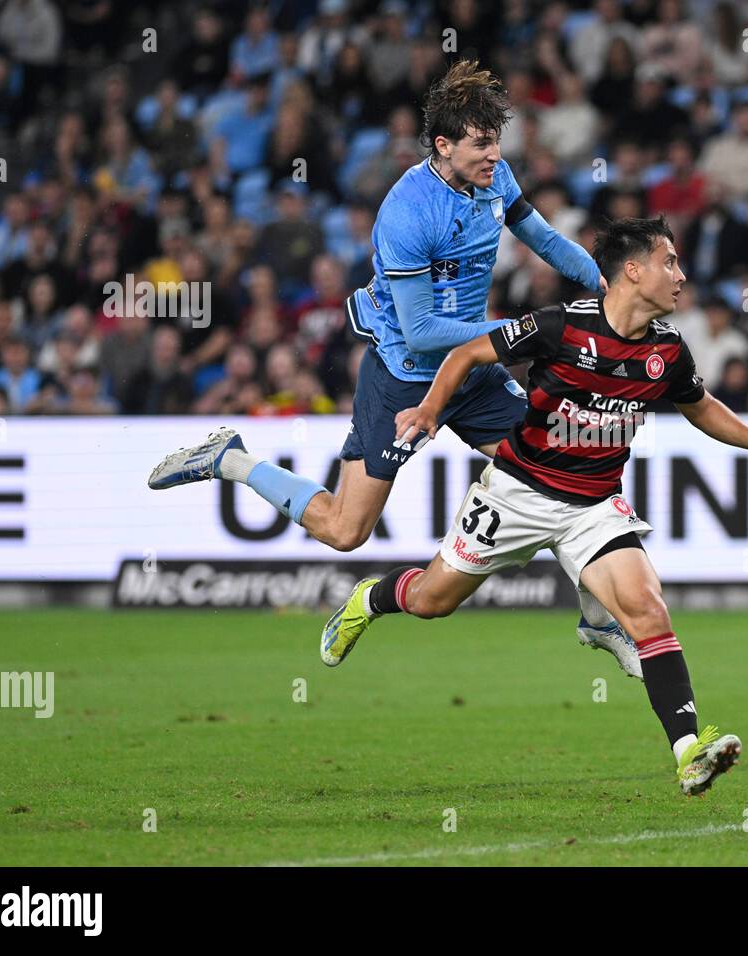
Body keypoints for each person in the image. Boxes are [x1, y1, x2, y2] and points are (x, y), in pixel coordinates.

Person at [145, 61, 638, 678]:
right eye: (482, 144)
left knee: (566, 470)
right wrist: (526, 335)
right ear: (444, 145)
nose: (495, 155)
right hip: (406, 371)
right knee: (345, 530)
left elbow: (542, 239)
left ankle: (597, 621)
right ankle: (233, 460)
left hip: (474, 368)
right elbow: (423, 331)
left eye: (497, 142)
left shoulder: (495, 177)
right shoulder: (406, 212)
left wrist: (604, 285)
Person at [320, 217, 748, 795]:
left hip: (593, 507)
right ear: (633, 271)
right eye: (670, 262)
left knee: (649, 609)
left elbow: (700, 405)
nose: (681, 276)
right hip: (517, 493)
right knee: (433, 601)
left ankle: (689, 750)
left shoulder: (667, 350)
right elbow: (464, 356)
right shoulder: (559, 327)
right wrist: (431, 409)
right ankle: (371, 598)